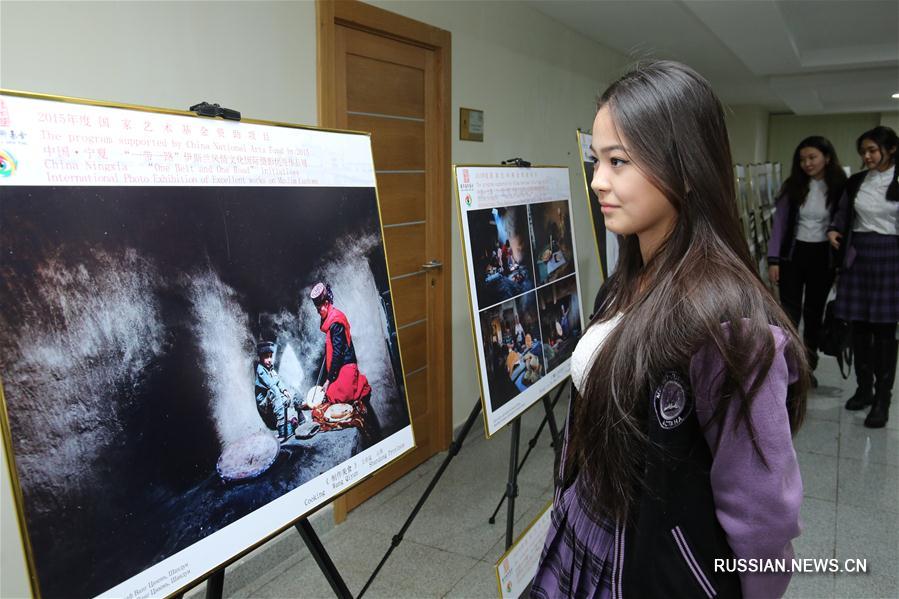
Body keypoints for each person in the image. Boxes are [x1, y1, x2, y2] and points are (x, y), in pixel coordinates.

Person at [533, 61, 808, 599]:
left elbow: (763, 515)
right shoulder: (630, 276)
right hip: (589, 525)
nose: (597, 180)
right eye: (596, 160)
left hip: (652, 564)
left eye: (619, 161)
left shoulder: (727, 321)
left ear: (684, 169)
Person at [827, 126, 898, 428]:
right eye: (863, 151)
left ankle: (883, 400)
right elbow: (843, 214)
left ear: (890, 149)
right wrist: (834, 228)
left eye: (871, 150)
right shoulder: (857, 182)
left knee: (884, 331)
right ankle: (863, 389)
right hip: (857, 256)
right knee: (858, 327)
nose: (866, 156)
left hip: (891, 257)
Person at [767, 136, 847, 385]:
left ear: (827, 158)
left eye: (812, 158)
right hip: (794, 254)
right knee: (790, 314)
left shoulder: (840, 186)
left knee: (814, 314)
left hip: (823, 256)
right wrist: (773, 260)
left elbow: (845, 222)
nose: (807, 163)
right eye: (802, 159)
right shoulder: (793, 185)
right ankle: (788, 366)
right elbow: (779, 224)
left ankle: (807, 367)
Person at [310, 282, 380, 438]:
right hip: (341, 366)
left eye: (319, 308)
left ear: (326, 304)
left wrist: (328, 380)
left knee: (337, 396)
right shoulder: (331, 320)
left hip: (347, 366)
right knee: (329, 396)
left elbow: (337, 354)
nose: (318, 312)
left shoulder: (335, 321)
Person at [254, 341, 302, 440]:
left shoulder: (270, 369)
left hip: (272, 397)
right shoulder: (260, 370)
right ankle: (282, 427)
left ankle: (292, 420)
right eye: (266, 357)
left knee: (287, 397)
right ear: (260, 357)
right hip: (264, 403)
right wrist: (280, 393)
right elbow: (271, 385)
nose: (269, 360)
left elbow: (278, 380)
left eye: (270, 356)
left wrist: (284, 391)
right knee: (274, 390)